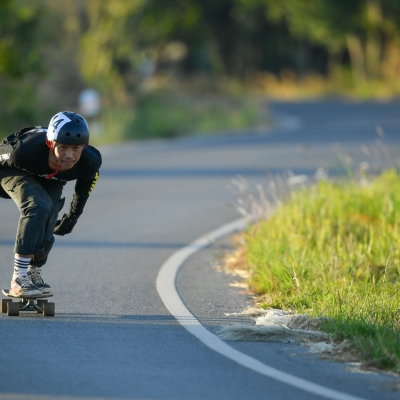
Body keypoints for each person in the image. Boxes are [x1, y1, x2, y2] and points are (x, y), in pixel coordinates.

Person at [0, 111, 102, 297]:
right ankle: (18, 278)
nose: (69, 155)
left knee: (48, 221)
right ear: (50, 143)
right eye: (62, 147)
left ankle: (32, 270)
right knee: (39, 205)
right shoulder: (23, 150)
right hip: (13, 171)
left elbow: (84, 188)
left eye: (76, 148)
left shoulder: (90, 161)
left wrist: (72, 217)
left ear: (84, 147)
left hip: (52, 178)